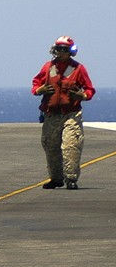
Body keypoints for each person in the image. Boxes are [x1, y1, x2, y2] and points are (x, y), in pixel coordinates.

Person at [31, 36, 96, 190]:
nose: (61, 52)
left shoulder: (78, 69)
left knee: (71, 145)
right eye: (59, 49)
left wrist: (82, 96)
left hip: (71, 115)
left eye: (64, 49)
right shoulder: (48, 68)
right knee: (51, 146)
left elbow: (89, 89)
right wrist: (41, 90)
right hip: (51, 115)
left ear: (71, 52)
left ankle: (71, 178)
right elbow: (35, 85)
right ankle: (56, 178)